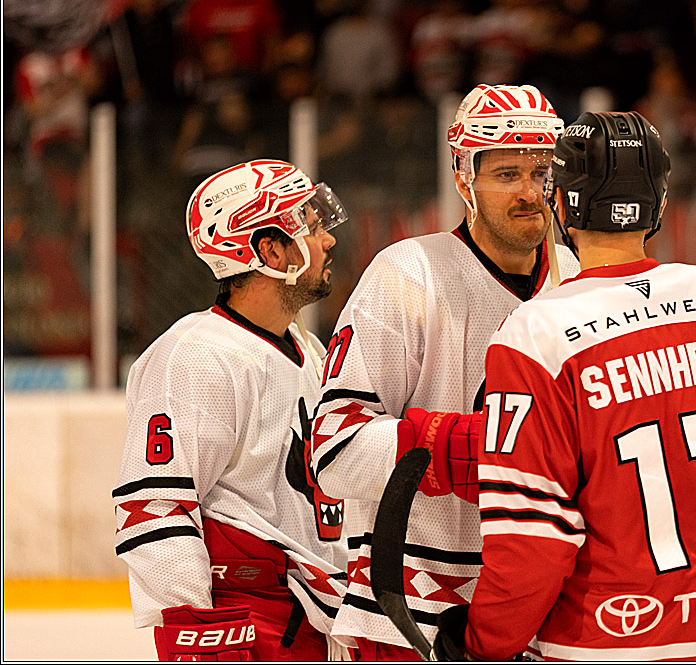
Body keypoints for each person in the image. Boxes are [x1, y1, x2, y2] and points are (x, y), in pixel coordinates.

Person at [433, 111, 696, 661]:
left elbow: (533, 544)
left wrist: (482, 646)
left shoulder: (537, 335)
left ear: (562, 204)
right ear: (661, 205)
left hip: (599, 646)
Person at [308, 84, 579, 660]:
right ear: (465, 179)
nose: (531, 192)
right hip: (413, 620)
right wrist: (461, 447)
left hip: (544, 613)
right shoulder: (408, 274)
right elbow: (333, 452)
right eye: (507, 173)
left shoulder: (577, 280)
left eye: (543, 172)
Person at [113, 160, 351, 661]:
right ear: (268, 250)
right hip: (247, 626)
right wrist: (196, 631)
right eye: (308, 225)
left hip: (312, 619)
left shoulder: (308, 350)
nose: (327, 239)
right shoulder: (195, 355)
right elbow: (155, 506)